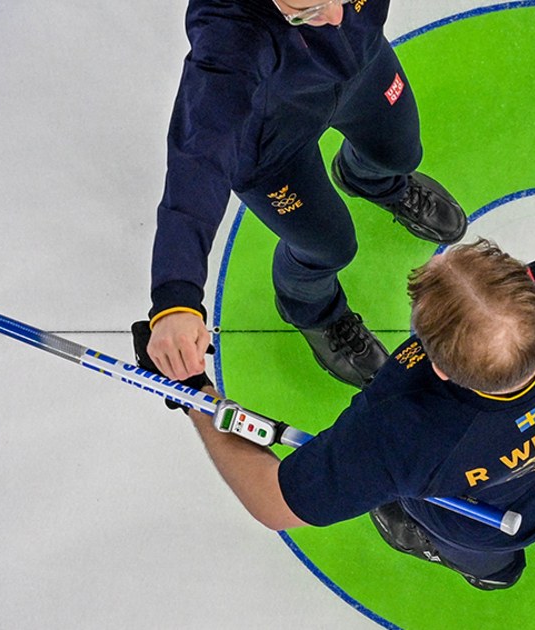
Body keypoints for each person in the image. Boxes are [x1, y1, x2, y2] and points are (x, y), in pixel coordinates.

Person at [144, 0, 535, 605]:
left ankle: (493, 575)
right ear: (533, 292)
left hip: (473, 518)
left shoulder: (398, 436)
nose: (336, 15)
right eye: (308, 9)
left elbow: (270, 501)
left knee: (481, 551)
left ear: (437, 367)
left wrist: (199, 393)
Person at [144, 0, 467, 390]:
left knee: (399, 154)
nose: (334, 19)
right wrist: (175, 296)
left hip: (364, 70)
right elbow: (200, 158)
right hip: (273, 145)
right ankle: (314, 311)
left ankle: (370, 180)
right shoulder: (231, 32)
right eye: (303, 11)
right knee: (329, 246)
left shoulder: (336, 13)